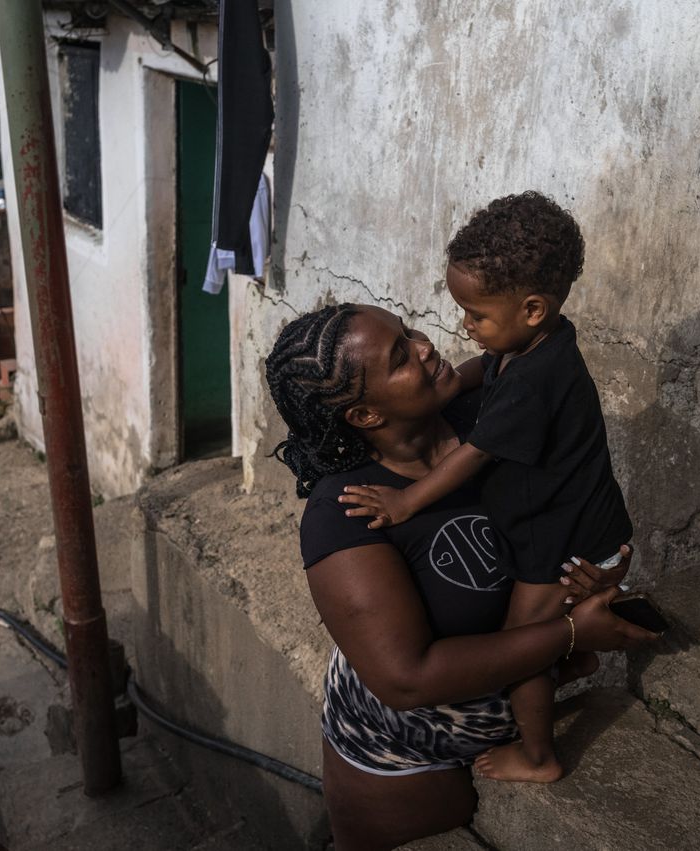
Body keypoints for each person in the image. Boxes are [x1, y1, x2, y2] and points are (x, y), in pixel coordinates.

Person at [266, 302, 656, 850]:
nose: (426, 345)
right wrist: (571, 635)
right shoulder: (347, 512)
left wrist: (587, 581)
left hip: (517, 715)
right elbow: (407, 679)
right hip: (402, 761)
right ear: (365, 416)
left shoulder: (490, 420)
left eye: (409, 332)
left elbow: (563, 518)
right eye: (401, 356)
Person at [339, 192, 634, 784]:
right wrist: (450, 385)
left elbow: (471, 457)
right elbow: (485, 370)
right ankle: (576, 658)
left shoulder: (536, 380)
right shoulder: (536, 342)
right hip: (562, 529)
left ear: (531, 308)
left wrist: (404, 503)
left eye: (475, 316)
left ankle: (538, 756)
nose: (462, 327)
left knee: (523, 649)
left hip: (565, 545)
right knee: (532, 637)